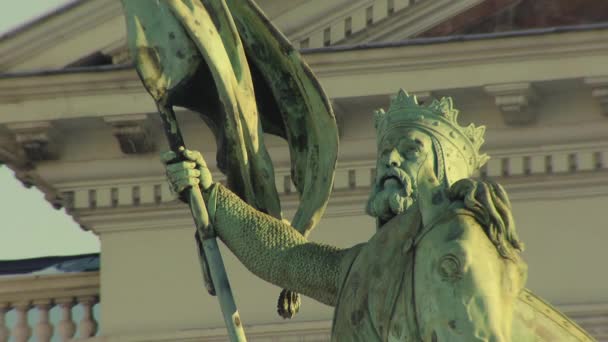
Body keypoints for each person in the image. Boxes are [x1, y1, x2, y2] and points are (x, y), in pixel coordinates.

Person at [163, 90, 527, 341]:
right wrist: (210, 195)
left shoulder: (459, 242)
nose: (391, 159)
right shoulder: (365, 265)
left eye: (410, 149)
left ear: (446, 168)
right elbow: (286, 258)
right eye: (385, 151)